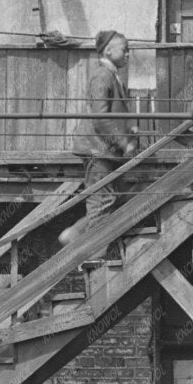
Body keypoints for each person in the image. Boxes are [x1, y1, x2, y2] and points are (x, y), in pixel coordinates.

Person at [60, 30, 137, 245]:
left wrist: (130, 130)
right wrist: (124, 142)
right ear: (109, 50)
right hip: (98, 148)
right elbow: (100, 116)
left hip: (106, 148)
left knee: (110, 199)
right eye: (125, 49)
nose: (128, 54)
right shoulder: (102, 75)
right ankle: (93, 252)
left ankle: (73, 234)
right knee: (102, 201)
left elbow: (111, 114)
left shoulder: (111, 75)